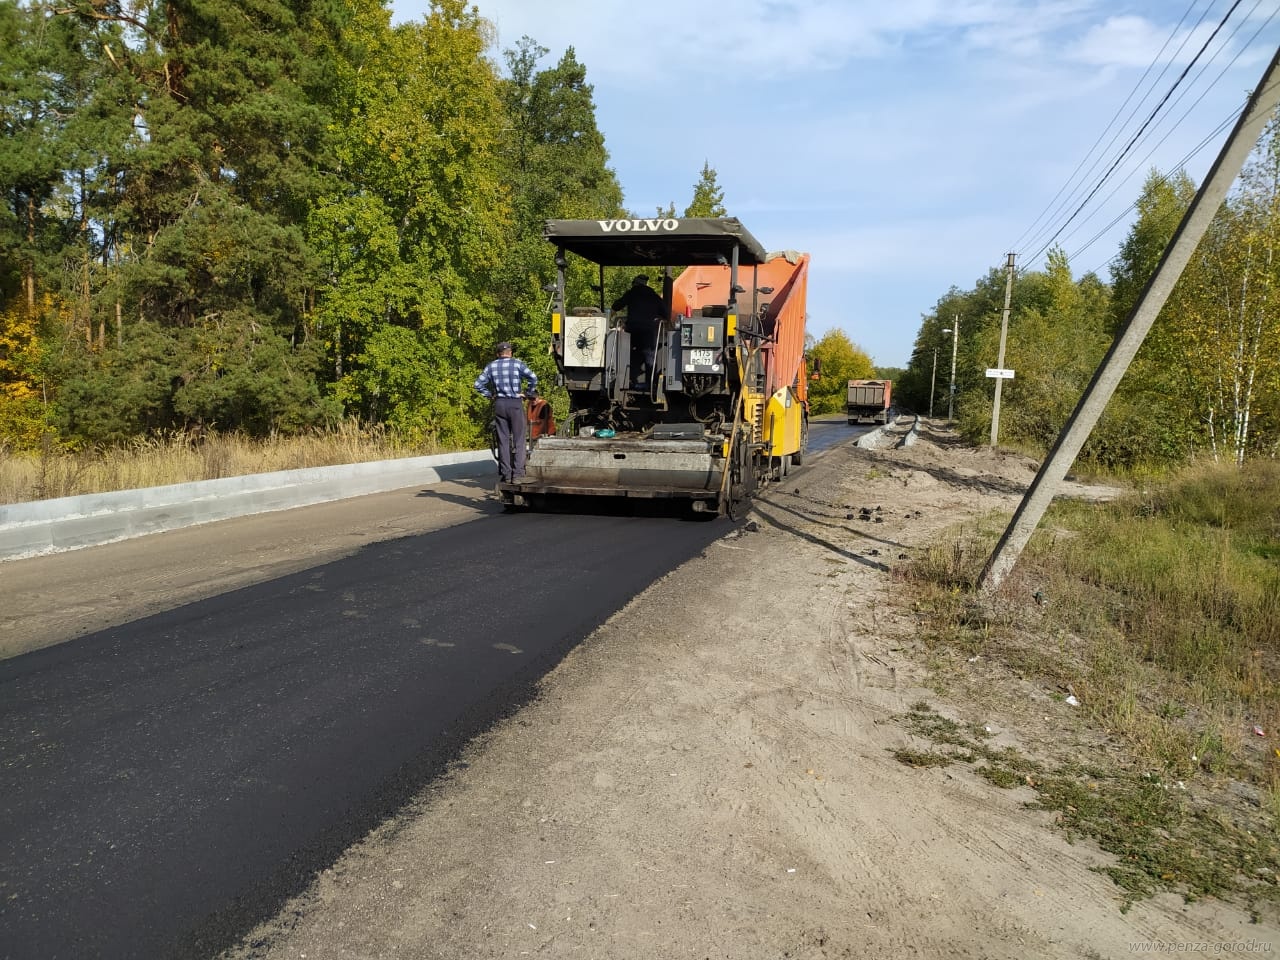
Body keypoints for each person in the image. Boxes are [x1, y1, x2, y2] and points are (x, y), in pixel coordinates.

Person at [474, 341, 538, 483]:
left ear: (498, 354)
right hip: (515, 404)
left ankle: (506, 474)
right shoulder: (517, 364)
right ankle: (518, 474)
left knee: (503, 441)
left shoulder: (492, 366)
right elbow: (533, 377)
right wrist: (527, 392)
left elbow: (478, 384)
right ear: (510, 353)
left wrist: (490, 395)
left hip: (500, 404)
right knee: (519, 440)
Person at [611, 274, 666, 385]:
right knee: (649, 356)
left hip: (632, 329)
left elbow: (616, 306)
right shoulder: (654, 296)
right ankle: (650, 385)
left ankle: (624, 380)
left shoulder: (632, 293)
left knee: (625, 351)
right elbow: (665, 313)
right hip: (648, 330)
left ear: (635, 283)